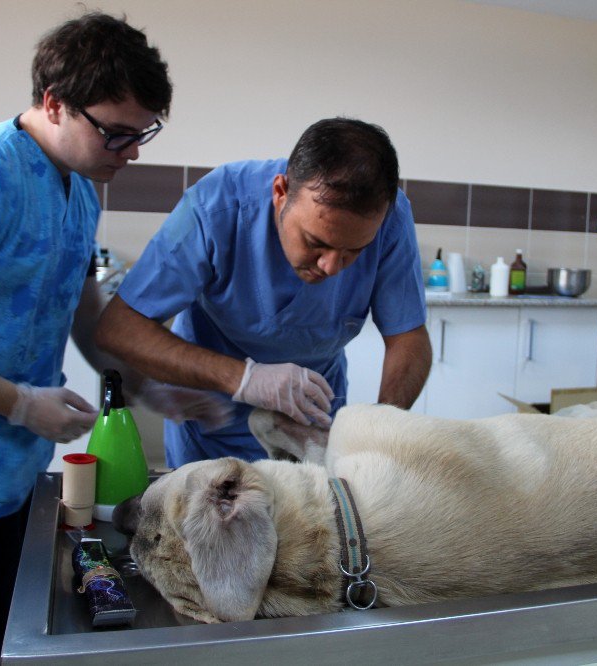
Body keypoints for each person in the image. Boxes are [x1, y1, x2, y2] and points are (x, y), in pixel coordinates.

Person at [0, 13, 228, 664]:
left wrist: (148, 388)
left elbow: (82, 310)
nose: (133, 152)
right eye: (117, 134)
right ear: (55, 104)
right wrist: (20, 403)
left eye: (142, 133)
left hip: (16, 466)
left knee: (12, 625)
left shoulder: (81, 186)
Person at [96, 117, 433, 467]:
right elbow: (119, 328)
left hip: (312, 426)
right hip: (214, 422)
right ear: (280, 193)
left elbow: (407, 337)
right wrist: (244, 378)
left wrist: (380, 429)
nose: (332, 267)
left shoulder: (390, 217)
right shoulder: (216, 207)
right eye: (316, 243)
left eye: (355, 251)